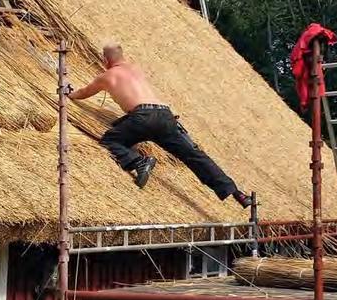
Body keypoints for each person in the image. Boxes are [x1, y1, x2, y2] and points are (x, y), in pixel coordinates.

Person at [68, 43, 252, 208]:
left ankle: (139, 162)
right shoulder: (136, 69)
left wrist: (69, 94)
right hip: (166, 115)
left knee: (110, 140)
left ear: (105, 59)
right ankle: (236, 192)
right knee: (194, 156)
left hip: (141, 117)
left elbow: (83, 92)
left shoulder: (107, 76)